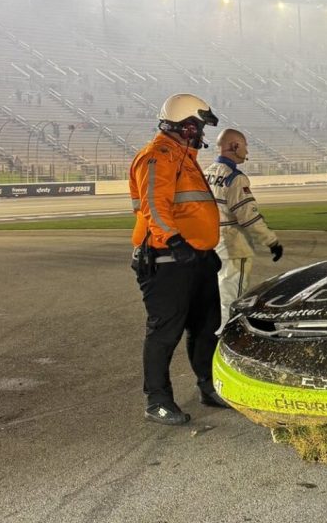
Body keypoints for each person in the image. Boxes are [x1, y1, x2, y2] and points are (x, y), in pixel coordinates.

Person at [129, 92, 228, 426]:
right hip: (166, 259)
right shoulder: (157, 156)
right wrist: (174, 241)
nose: (202, 132)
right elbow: (154, 205)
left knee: (206, 327)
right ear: (186, 126)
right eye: (199, 126)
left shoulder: (184, 157)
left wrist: (204, 251)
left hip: (194, 258)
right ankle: (157, 400)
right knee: (165, 332)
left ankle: (208, 386)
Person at [203, 129, 283, 334]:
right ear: (235, 146)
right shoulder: (235, 178)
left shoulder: (206, 173)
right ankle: (227, 337)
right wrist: (271, 241)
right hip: (233, 246)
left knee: (218, 294)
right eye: (245, 146)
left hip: (211, 242)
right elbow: (249, 217)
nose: (247, 151)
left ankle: (215, 333)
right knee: (233, 298)